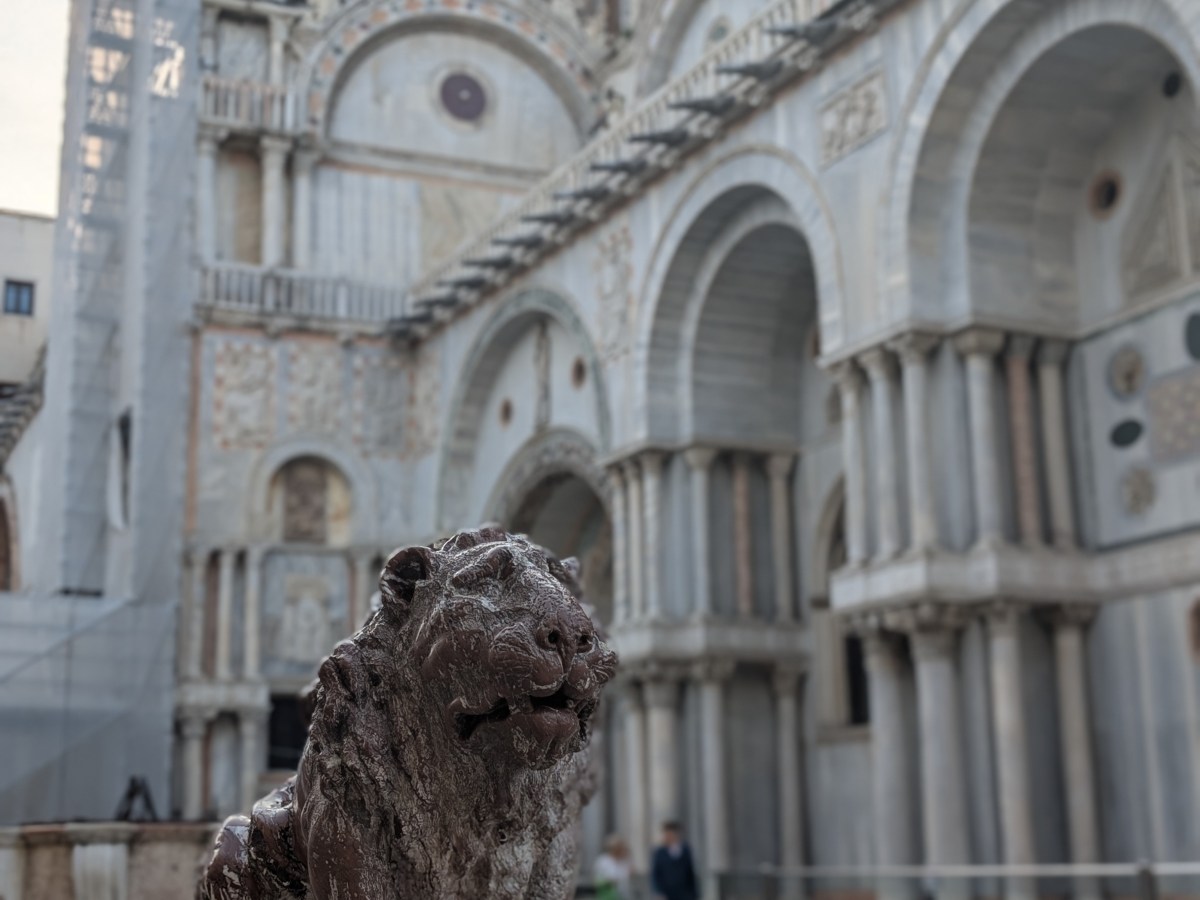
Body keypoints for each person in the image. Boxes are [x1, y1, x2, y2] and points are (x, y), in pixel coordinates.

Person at [650, 821, 698, 900]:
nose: (668, 836)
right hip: (667, 892)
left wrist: (694, 893)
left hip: (684, 893)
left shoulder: (685, 850)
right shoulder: (660, 852)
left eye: (670, 833)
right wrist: (658, 892)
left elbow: (690, 873)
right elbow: (656, 874)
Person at [594, 834, 634, 900]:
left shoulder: (624, 861)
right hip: (607, 896)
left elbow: (630, 874)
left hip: (623, 895)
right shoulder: (603, 861)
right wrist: (609, 881)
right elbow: (597, 880)